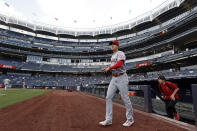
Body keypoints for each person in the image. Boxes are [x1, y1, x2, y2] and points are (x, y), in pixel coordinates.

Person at [99, 40, 134, 127]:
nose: (112, 46)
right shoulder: (112, 56)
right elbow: (113, 68)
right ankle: (108, 119)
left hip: (122, 77)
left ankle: (130, 119)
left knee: (125, 98)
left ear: (117, 46)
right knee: (108, 97)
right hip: (114, 78)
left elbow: (120, 64)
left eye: (113, 44)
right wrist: (107, 71)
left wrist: (109, 68)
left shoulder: (120, 53)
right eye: (111, 44)